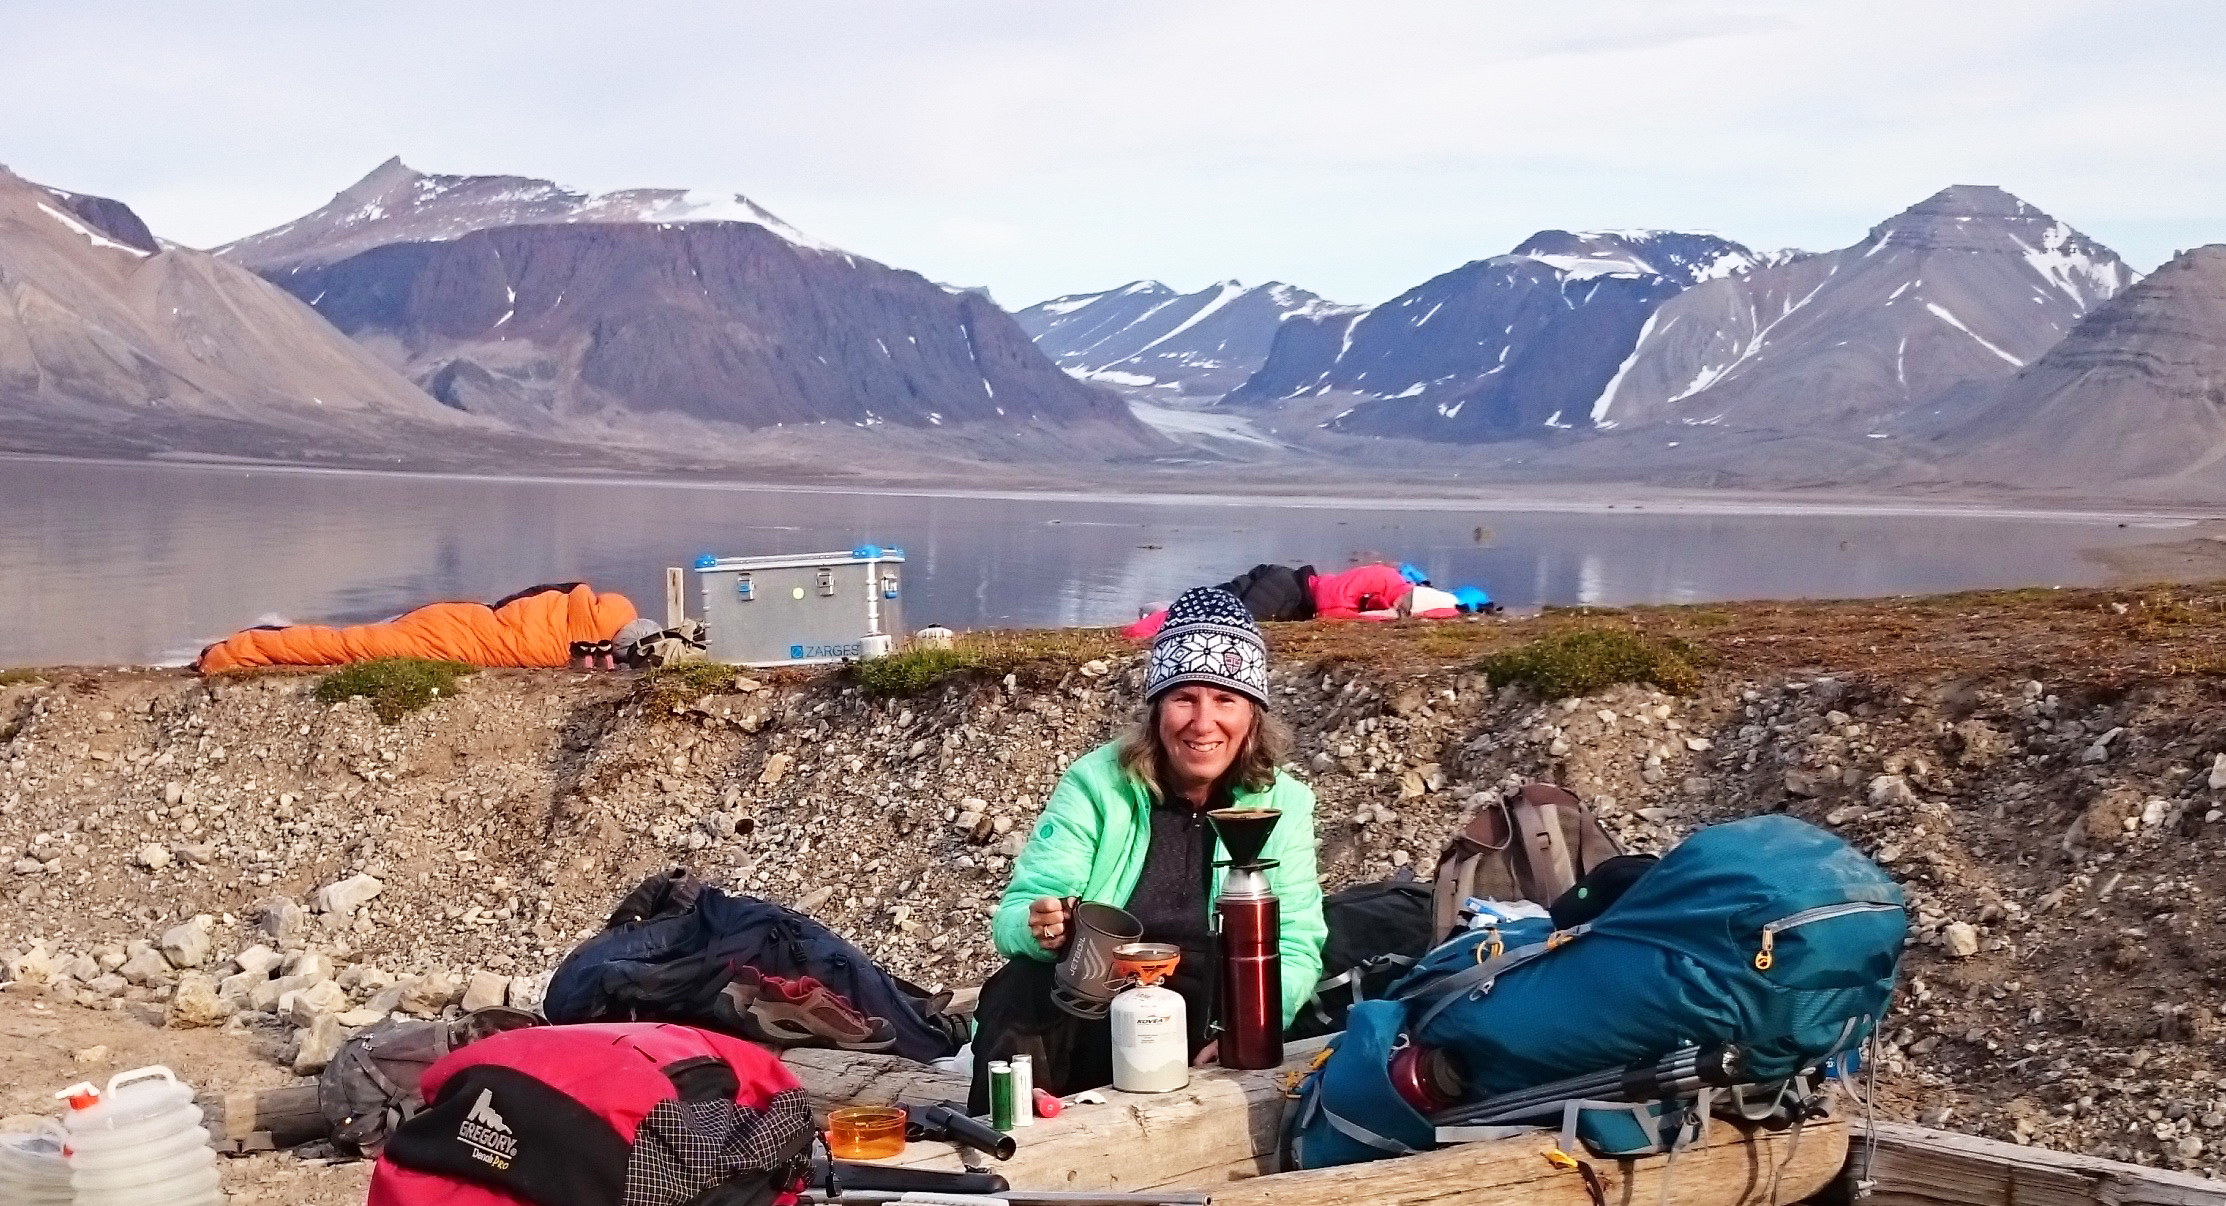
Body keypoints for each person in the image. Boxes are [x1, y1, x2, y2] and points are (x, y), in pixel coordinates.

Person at [969, 587, 1326, 1112]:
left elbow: (1294, 945)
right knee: (1020, 988)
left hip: (1206, 1017)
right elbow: (1015, 917)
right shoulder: (1098, 785)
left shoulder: (1282, 804)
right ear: (1158, 709)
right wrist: (1040, 926)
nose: (1203, 723)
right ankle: (1012, 1144)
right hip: (1092, 1003)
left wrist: (1245, 1030)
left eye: (1225, 699)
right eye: (1184, 698)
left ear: (1253, 713)